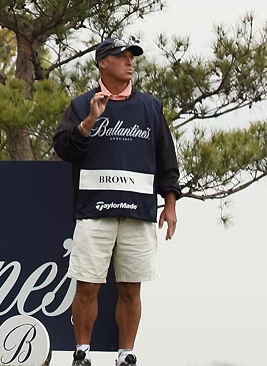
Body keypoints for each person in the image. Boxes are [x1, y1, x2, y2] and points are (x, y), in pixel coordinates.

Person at [52, 38, 181, 366]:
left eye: (131, 56)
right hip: (94, 213)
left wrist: (170, 202)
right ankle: (82, 353)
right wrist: (90, 121)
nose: (129, 62)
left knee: (130, 290)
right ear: (102, 63)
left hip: (138, 213)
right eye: (121, 56)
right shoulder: (82, 105)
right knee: (87, 288)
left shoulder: (151, 106)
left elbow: (166, 157)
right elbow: (65, 149)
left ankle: (126, 354)